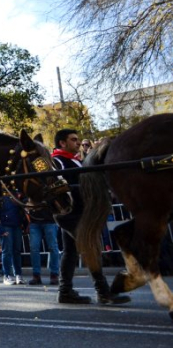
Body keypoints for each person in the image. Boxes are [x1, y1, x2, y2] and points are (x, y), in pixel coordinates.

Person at [52, 129, 130, 305]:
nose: (78, 142)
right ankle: (103, 292)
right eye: (73, 140)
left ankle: (65, 291)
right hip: (69, 213)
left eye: (78, 139)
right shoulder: (57, 160)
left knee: (71, 252)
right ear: (62, 143)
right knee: (90, 247)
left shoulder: (77, 161)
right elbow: (59, 186)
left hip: (81, 211)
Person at [0, 192, 26, 285]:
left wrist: (23, 224)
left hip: (17, 226)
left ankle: (18, 274)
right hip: (6, 226)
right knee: (7, 251)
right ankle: (7, 275)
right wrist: (0, 229)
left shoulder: (16, 193)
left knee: (16, 251)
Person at [26, 204, 60, 285]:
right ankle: (35, 274)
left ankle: (54, 274)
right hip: (33, 222)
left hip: (49, 221)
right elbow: (24, 202)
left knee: (53, 247)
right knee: (33, 247)